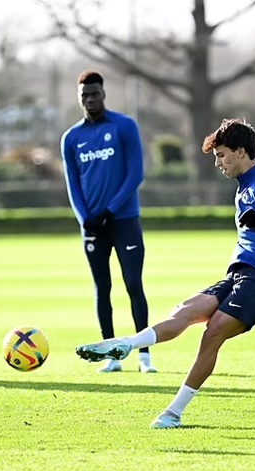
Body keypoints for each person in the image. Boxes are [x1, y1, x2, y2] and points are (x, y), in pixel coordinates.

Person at [75, 118, 255, 429]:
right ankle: (128, 343)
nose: (218, 163)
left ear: (240, 151)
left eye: (221, 155)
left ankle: (173, 413)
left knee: (214, 331)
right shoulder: (243, 186)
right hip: (242, 273)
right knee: (186, 309)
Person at [60, 70, 156, 374]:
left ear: (103, 94)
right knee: (102, 288)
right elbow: (72, 184)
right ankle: (111, 357)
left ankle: (144, 356)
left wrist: (110, 210)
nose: (89, 100)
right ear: (79, 98)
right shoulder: (71, 137)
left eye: (94, 94)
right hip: (92, 226)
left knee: (133, 285)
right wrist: (85, 218)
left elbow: (135, 174)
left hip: (124, 219)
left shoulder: (124, 126)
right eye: (84, 96)